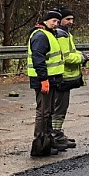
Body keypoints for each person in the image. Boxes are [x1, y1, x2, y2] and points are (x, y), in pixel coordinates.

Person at [27, 9, 66, 157]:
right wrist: (43, 79)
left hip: (52, 80)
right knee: (43, 112)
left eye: (57, 22)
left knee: (48, 112)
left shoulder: (49, 34)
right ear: (46, 20)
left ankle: (47, 143)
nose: (55, 24)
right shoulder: (40, 35)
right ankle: (39, 145)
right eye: (53, 21)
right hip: (44, 80)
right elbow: (38, 58)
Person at [52, 7, 89, 149]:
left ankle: (56, 134)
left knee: (59, 108)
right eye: (67, 19)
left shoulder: (66, 34)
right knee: (59, 109)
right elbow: (67, 56)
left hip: (63, 77)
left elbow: (71, 52)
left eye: (72, 19)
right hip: (62, 77)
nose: (71, 22)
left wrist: (81, 55)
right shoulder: (61, 35)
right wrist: (81, 58)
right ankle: (55, 136)